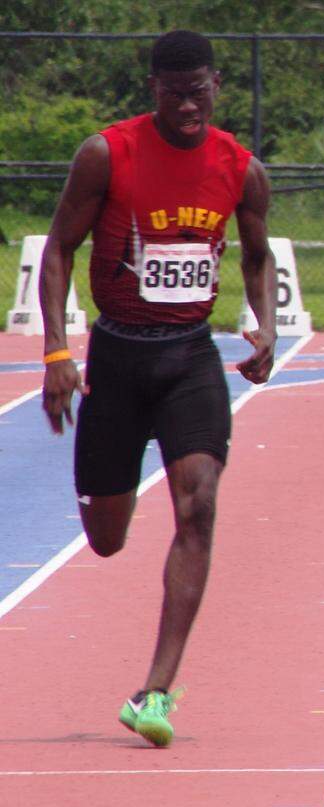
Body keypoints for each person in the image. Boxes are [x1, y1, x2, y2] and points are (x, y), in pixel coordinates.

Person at [39, 30, 277, 746]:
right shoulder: (107, 154)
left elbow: (259, 257)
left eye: (199, 90)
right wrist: (56, 350)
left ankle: (156, 691)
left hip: (189, 358)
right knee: (107, 540)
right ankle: (114, 495)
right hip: (116, 356)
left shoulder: (240, 167)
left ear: (217, 85)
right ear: (153, 90)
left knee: (198, 501)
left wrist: (264, 326)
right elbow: (58, 250)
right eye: (174, 93)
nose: (187, 105)